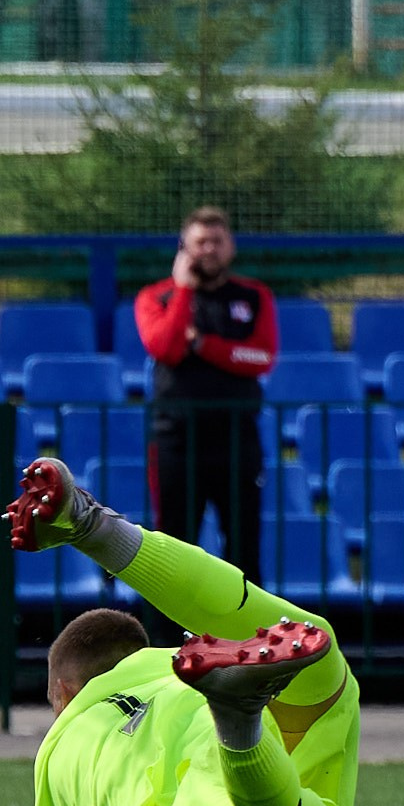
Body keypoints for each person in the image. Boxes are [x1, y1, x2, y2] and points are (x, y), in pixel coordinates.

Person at [5, 455, 359, 806]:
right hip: (294, 714)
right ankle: (96, 529)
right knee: (317, 647)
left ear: (62, 689)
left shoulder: (55, 765)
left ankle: (239, 720)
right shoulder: (162, 664)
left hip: (203, 799)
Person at [132, 205, 275, 578]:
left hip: (236, 438)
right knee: (174, 550)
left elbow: (260, 356)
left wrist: (203, 346)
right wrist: (183, 291)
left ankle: (247, 635)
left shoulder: (254, 296)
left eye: (217, 241)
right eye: (200, 242)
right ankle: (171, 637)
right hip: (176, 440)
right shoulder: (156, 297)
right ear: (184, 248)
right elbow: (164, 347)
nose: (209, 249)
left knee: (244, 547)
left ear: (231, 247)